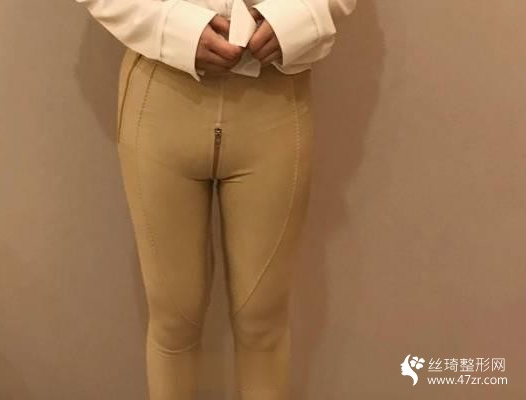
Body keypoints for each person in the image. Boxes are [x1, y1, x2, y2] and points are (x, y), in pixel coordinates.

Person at [74, 0, 357, 399]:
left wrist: (295, 17)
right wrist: (172, 28)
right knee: (174, 319)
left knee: (262, 321)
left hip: (274, 97)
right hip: (162, 95)